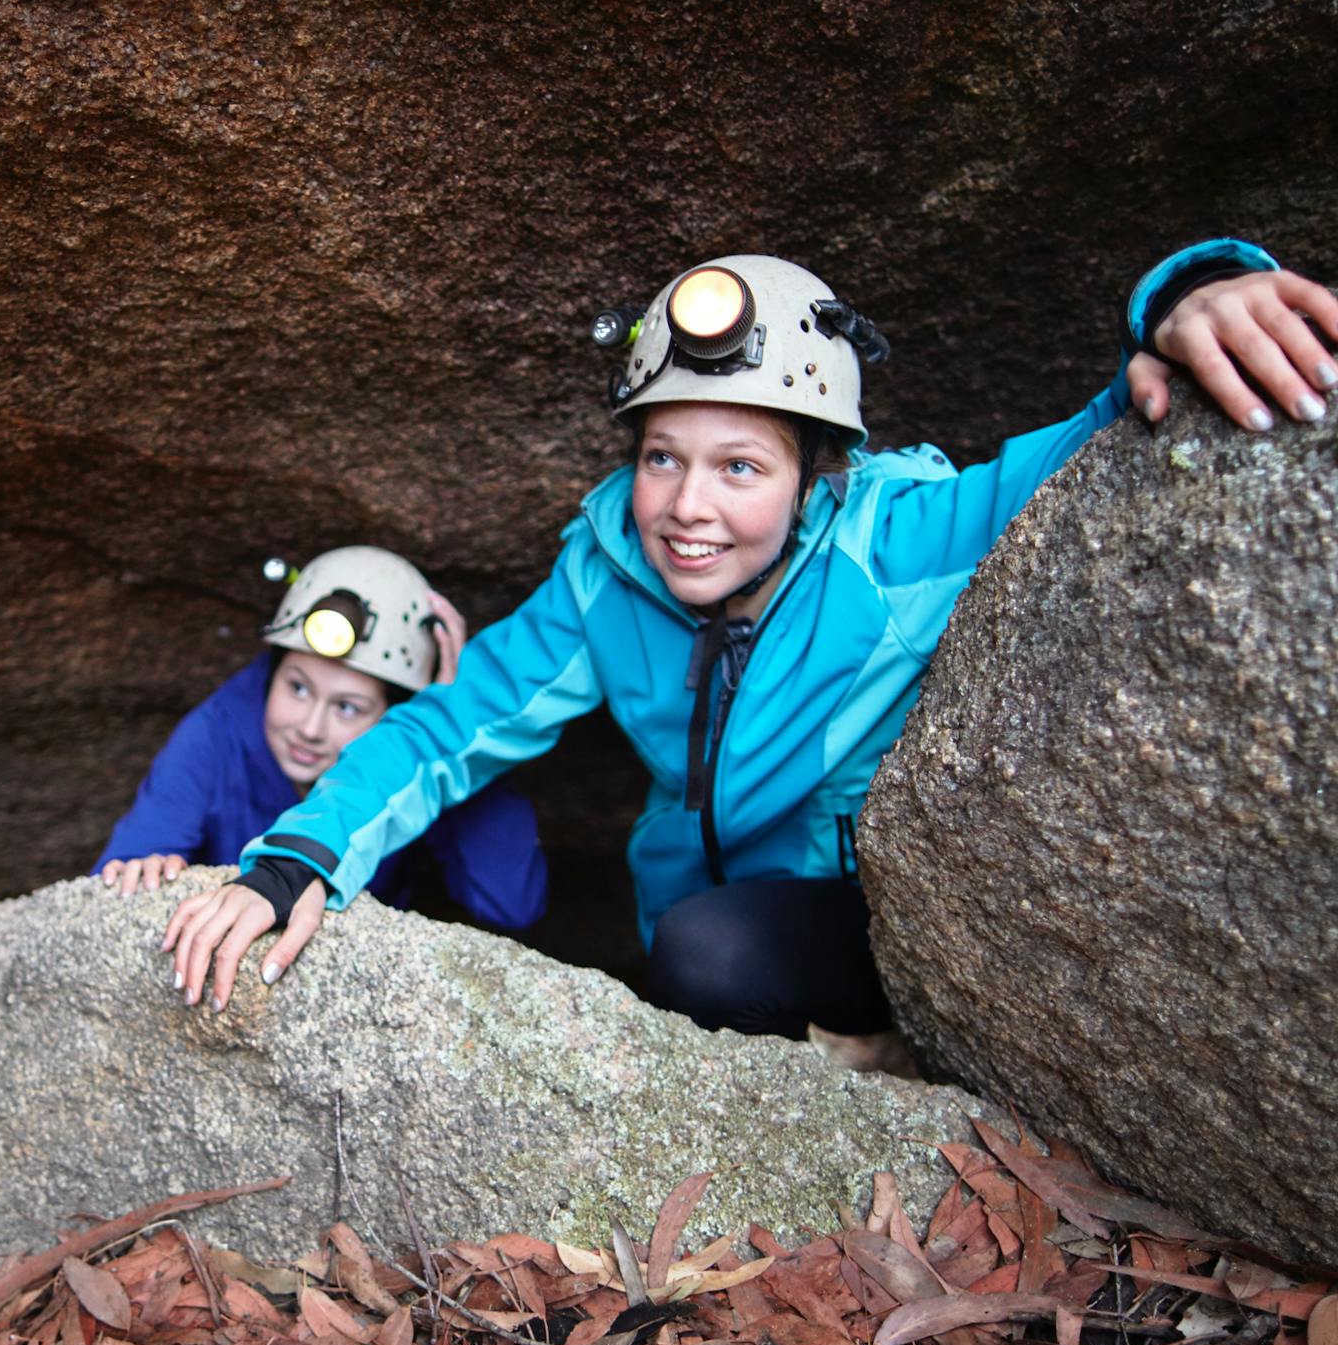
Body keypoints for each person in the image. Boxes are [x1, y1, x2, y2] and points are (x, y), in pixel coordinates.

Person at [163, 240, 1338, 1025]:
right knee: (685, 954)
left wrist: (1193, 292)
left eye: (739, 465)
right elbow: (442, 732)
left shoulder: (892, 542)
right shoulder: (602, 581)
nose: (686, 506)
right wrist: (293, 859)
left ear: (816, 472)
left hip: (875, 927)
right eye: (661, 457)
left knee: (706, 952)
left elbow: (1097, 424)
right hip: (686, 932)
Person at [96, 545, 547, 935]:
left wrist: (452, 731)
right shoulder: (220, 731)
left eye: (347, 707)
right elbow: (122, 870)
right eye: (297, 687)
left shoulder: (410, 757)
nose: (310, 728)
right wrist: (143, 872)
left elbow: (510, 904)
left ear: (401, 718)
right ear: (272, 672)